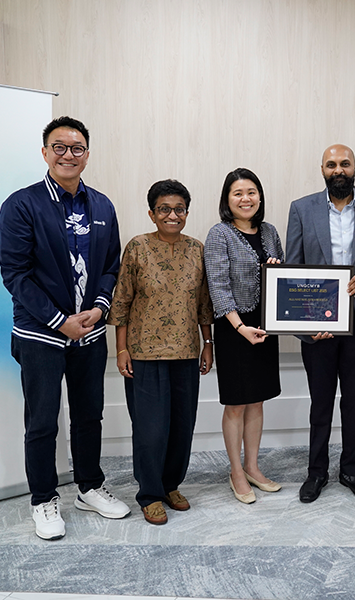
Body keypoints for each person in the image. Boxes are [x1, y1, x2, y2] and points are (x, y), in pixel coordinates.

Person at [0, 116, 130, 541]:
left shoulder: (102, 206)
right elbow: (15, 274)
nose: (68, 155)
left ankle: (89, 487)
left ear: (87, 155)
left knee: (89, 415)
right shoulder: (21, 205)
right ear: (45, 152)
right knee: (42, 422)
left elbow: (111, 266)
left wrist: (99, 308)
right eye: (59, 147)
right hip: (40, 335)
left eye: (77, 148)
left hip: (89, 333)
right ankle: (43, 499)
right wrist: (60, 321)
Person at [286, 144, 355, 504]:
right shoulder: (301, 209)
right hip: (317, 326)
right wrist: (304, 321)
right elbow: (294, 269)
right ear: (322, 170)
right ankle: (316, 472)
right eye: (331, 164)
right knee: (320, 404)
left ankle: (351, 471)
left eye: (344, 164)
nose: (338, 170)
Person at [108, 179, 214, 525]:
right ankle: (150, 494)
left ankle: (171, 486)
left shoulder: (197, 249)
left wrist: (208, 344)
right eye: (164, 209)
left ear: (187, 212)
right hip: (144, 354)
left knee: (182, 427)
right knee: (151, 430)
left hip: (186, 352)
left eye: (179, 209)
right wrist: (121, 349)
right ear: (152, 213)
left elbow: (203, 304)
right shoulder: (137, 247)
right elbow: (122, 301)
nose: (172, 215)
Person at [204, 168, 284, 505]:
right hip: (234, 328)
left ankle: (252, 466)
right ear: (227, 199)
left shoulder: (269, 231)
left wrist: (277, 269)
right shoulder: (219, 234)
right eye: (237, 193)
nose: (245, 199)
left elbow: (283, 278)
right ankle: (236, 470)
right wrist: (240, 328)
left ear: (260, 197)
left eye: (251, 192)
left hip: (264, 326)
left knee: (257, 400)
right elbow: (218, 286)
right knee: (236, 403)